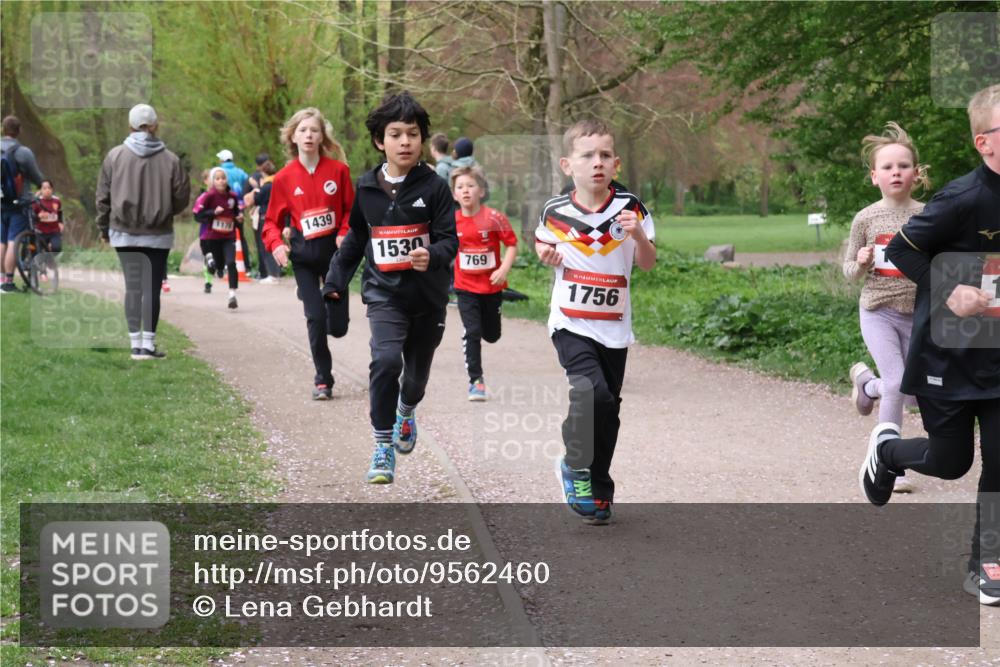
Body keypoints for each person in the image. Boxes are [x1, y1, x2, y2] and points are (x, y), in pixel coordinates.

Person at [860, 84, 1000, 606]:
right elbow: (902, 250)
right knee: (951, 461)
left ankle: (988, 565)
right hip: (951, 350)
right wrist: (951, 286)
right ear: (984, 143)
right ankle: (888, 451)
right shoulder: (963, 199)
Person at [323, 91, 458, 484]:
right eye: (395, 134)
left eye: (413, 134)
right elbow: (353, 241)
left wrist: (430, 254)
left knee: (414, 380)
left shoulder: (434, 188)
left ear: (422, 140)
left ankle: (406, 411)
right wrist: (334, 282)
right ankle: (382, 445)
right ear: (380, 141)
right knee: (385, 362)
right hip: (384, 295)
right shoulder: (366, 188)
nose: (405, 142)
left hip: (428, 299)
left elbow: (451, 240)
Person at [534, 119, 656, 525]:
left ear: (616, 164)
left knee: (610, 410)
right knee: (593, 395)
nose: (597, 163)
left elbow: (648, 263)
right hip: (570, 322)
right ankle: (572, 462)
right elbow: (542, 242)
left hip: (615, 327)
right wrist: (545, 255)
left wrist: (638, 236)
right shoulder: (556, 210)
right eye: (588, 156)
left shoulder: (630, 208)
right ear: (568, 165)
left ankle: (599, 487)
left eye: (605, 155)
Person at [843, 122, 930, 493]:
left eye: (904, 165)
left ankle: (867, 385)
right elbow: (849, 273)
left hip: (918, 315)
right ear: (874, 176)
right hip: (878, 311)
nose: (897, 172)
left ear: (916, 173)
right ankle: (889, 467)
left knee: (916, 389)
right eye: (888, 167)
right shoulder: (866, 218)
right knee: (898, 382)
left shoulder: (929, 215)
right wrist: (861, 262)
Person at [262, 108, 353, 400]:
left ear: (322, 136)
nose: (309, 135)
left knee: (337, 328)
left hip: (335, 256)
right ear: (293, 137)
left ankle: (327, 306)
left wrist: (343, 231)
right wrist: (276, 243)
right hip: (303, 256)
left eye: (314, 130)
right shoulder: (283, 178)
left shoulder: (338, 171)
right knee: (314, 318)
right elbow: (271, 222)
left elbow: (353, 210)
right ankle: (323, 379)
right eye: (302, 130)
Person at [95, 103, 190, 359]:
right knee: (152, 288)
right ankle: (148, 344)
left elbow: (103, 197)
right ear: (155, 126)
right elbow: (181, 197)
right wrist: (167, 209)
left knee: (133, 288)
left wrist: (103, 227)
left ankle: (134, 344)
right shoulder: (171, 160)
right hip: (158, 234)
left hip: (123, 232)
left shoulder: (114, 156)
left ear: (130, 126)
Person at [450, 165, 518, 401]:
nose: (466, 191)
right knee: (473, 331)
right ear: (454, 194)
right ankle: (476, 381)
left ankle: (483, 338)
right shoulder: (451, 221)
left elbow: (511, 244)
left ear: (481, 190)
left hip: (491, 285)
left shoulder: (494, 218)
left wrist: (503, 268)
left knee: (491, 335)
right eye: (460, 187)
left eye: (470, 185)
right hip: (465, 286)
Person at [1, 115, 45, 293]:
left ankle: (1, 280)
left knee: (1, 241)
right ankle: (9, 283)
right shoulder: (22, 152)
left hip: (0, 202)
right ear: (19, 131)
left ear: (3, 129)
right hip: (19, 203)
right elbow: (37, 177)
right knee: (13, 241)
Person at [193, 167, 243, 309]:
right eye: (217, 178)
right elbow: (197, 215)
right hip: (213, 237)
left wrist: (238, 218)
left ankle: (232, 294)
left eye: (223, 178)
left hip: (229, 236)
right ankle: (213, 265)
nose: (221, 181)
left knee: (232, 263)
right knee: (219, 266)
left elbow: (236, 212)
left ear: (227, 179)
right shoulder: (209, 196)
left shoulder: (232, 196)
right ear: (213, 181)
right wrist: (212, 212)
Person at [245, 159, 281, 283]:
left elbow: (257, 200)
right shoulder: (277, 183)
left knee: (265, 245)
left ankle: (271, 274)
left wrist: (256, 188)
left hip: (264, 217)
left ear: (264, 172)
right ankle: (276, 272)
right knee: (275, 244)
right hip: (276, 217)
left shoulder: (266, 186)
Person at [217, 149, 252, 273]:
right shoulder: (241, 172)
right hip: (239, 209)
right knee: (240, 237)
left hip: (224, 210)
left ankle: (224, 265)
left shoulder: (220, 172)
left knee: (223, 237)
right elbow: (249, 184)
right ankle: (246, 266)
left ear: (222, 160)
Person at [29, 179, 64, 254]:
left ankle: (50, 256)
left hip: (54, 231)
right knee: (34, 249)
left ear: (52, 189)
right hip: (41, 232)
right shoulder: (37, 202)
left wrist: (61, 223)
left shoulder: (57, 200)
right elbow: (32, 216)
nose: (47, 190)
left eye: (49, 188)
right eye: (44, 188)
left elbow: (60, 212)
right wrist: (38, 216)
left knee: (57, 248)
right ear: (40, 190)